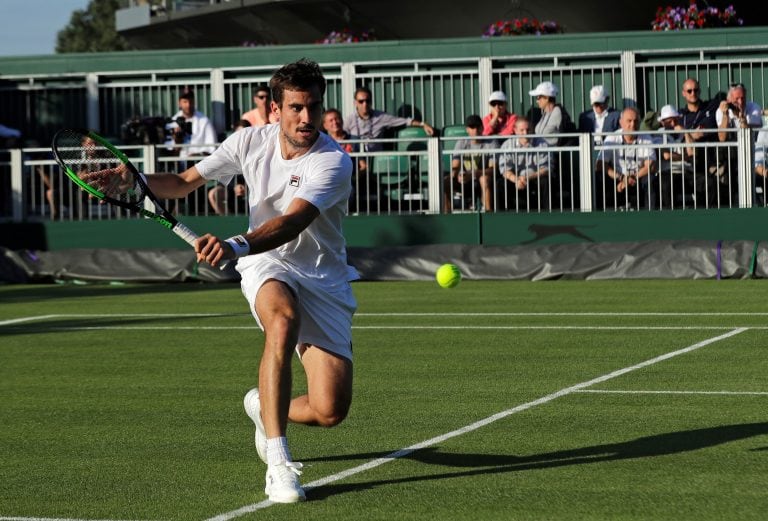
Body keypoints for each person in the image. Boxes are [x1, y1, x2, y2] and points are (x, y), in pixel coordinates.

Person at [91, 59, 358, 504]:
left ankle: (262, 404)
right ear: (275, 110)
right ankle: (279, 463)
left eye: (313, 106)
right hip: (265, 264)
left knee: (329, 410)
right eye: (295, 107)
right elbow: (179, 182)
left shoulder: (332, 162)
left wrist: (233, 244)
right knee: (282, 320)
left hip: (321, 276)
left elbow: (292, 223)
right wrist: (133, 180)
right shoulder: (248, 142)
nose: (306, 118)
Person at [595, 107, 657, 210]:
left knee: (651, 180)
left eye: (636, 121)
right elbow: (600, 164)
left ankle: (650, 217)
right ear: (621, 122)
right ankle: (600, 215)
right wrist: (621, 178)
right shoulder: (612, 138)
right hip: (617, 177)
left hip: (638, 177)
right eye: (629, 121)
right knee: (599, 177)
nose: (633, 125)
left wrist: (631, 179)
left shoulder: (646, 137)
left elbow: (651, 165)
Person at [343, 86, 435, 152]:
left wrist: (423, 124)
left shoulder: (381, 117)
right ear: (355, 103)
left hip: (375, 158)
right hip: (356, 160)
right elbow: (340, 136)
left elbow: (405, 121)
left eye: (367, 101)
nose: (365, 104)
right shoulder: (349, 119)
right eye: (361, 101)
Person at [677, 77, 721, 206]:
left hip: (710, 160)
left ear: (700, 91)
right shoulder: (680, 115)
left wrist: (686, 133)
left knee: (711, 185)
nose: (693, 93)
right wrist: (690, 134)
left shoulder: (710, 107)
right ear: (683, 93)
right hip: (688, 164)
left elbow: (707, 130)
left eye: (695, 90)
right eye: (689, 91)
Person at [496, 117, 552, 211]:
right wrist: (516, 180)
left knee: (545, 181)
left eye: (528, 129)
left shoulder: (542, 143)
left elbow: (546, 168)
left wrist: (527, 178)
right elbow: (505, 170)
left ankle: (548, 215)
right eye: (522, 130)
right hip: (515, 180)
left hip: (534, 178)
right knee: (500, 184)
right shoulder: (507, 145)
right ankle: (500, 217)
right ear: (515, 130)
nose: (525, 133)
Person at [443, 114, 496, 212]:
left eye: (478, 127)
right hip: (465, 181)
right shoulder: (461, 143)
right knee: (446, 181)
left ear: (482, 128)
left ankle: (489, 215)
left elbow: (494, 169)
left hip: (485, 180)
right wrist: (457, 175)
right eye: (472, 127)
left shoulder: (491, 143)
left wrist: (475, 173)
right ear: (467, 129)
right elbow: (455, 166)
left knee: (484, 179)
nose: (475, 130)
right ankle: (447, 216)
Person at [323, 108, 369, 212]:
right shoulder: (322, 142)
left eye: (337, 119)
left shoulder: (354, 140)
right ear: (325, 125)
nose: (335, 122)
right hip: (328, 179)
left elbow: (364, 166)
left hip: (350, 180)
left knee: (348, 191)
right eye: (331, 120)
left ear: (342, 121)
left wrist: (353, 178)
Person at [207, 119, 250, 215]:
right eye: (238, 134)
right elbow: (224, 176)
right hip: (230, 188)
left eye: (245, 134)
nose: (241, 138)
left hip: (252, 188)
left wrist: (246, 187)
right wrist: (234, 186)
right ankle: (227, 222)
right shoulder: (229, 151)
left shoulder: (256, 152)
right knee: (214, 194)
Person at [655, 104, 694, 208]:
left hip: (686, 172)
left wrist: (686, 133)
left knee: (707, 184)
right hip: (667, 172)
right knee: (666, 185)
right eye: (669, 121)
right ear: (662, 122)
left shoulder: (684, 132)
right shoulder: (659, 134)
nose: (673, 124)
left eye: (675, 120)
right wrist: (684, 157)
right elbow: (666, 155)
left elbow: (691, 152)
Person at [168, 90, 218, 158]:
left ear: (194, 102)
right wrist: (177, 141)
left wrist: (197, 155)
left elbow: (212, 147)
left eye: (190, 101)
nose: (188, 105)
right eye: (185, 102)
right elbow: (169, 152)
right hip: (179, 164)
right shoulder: (173, 122)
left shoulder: (204, 121)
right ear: (179, 103)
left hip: (199, 163)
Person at [529, 81, 565, 146]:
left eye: (538, 97)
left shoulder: (557, 112)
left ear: (546, 98)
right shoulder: (545, 113)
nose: (537, 101)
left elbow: (563, 133)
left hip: (553, 154)